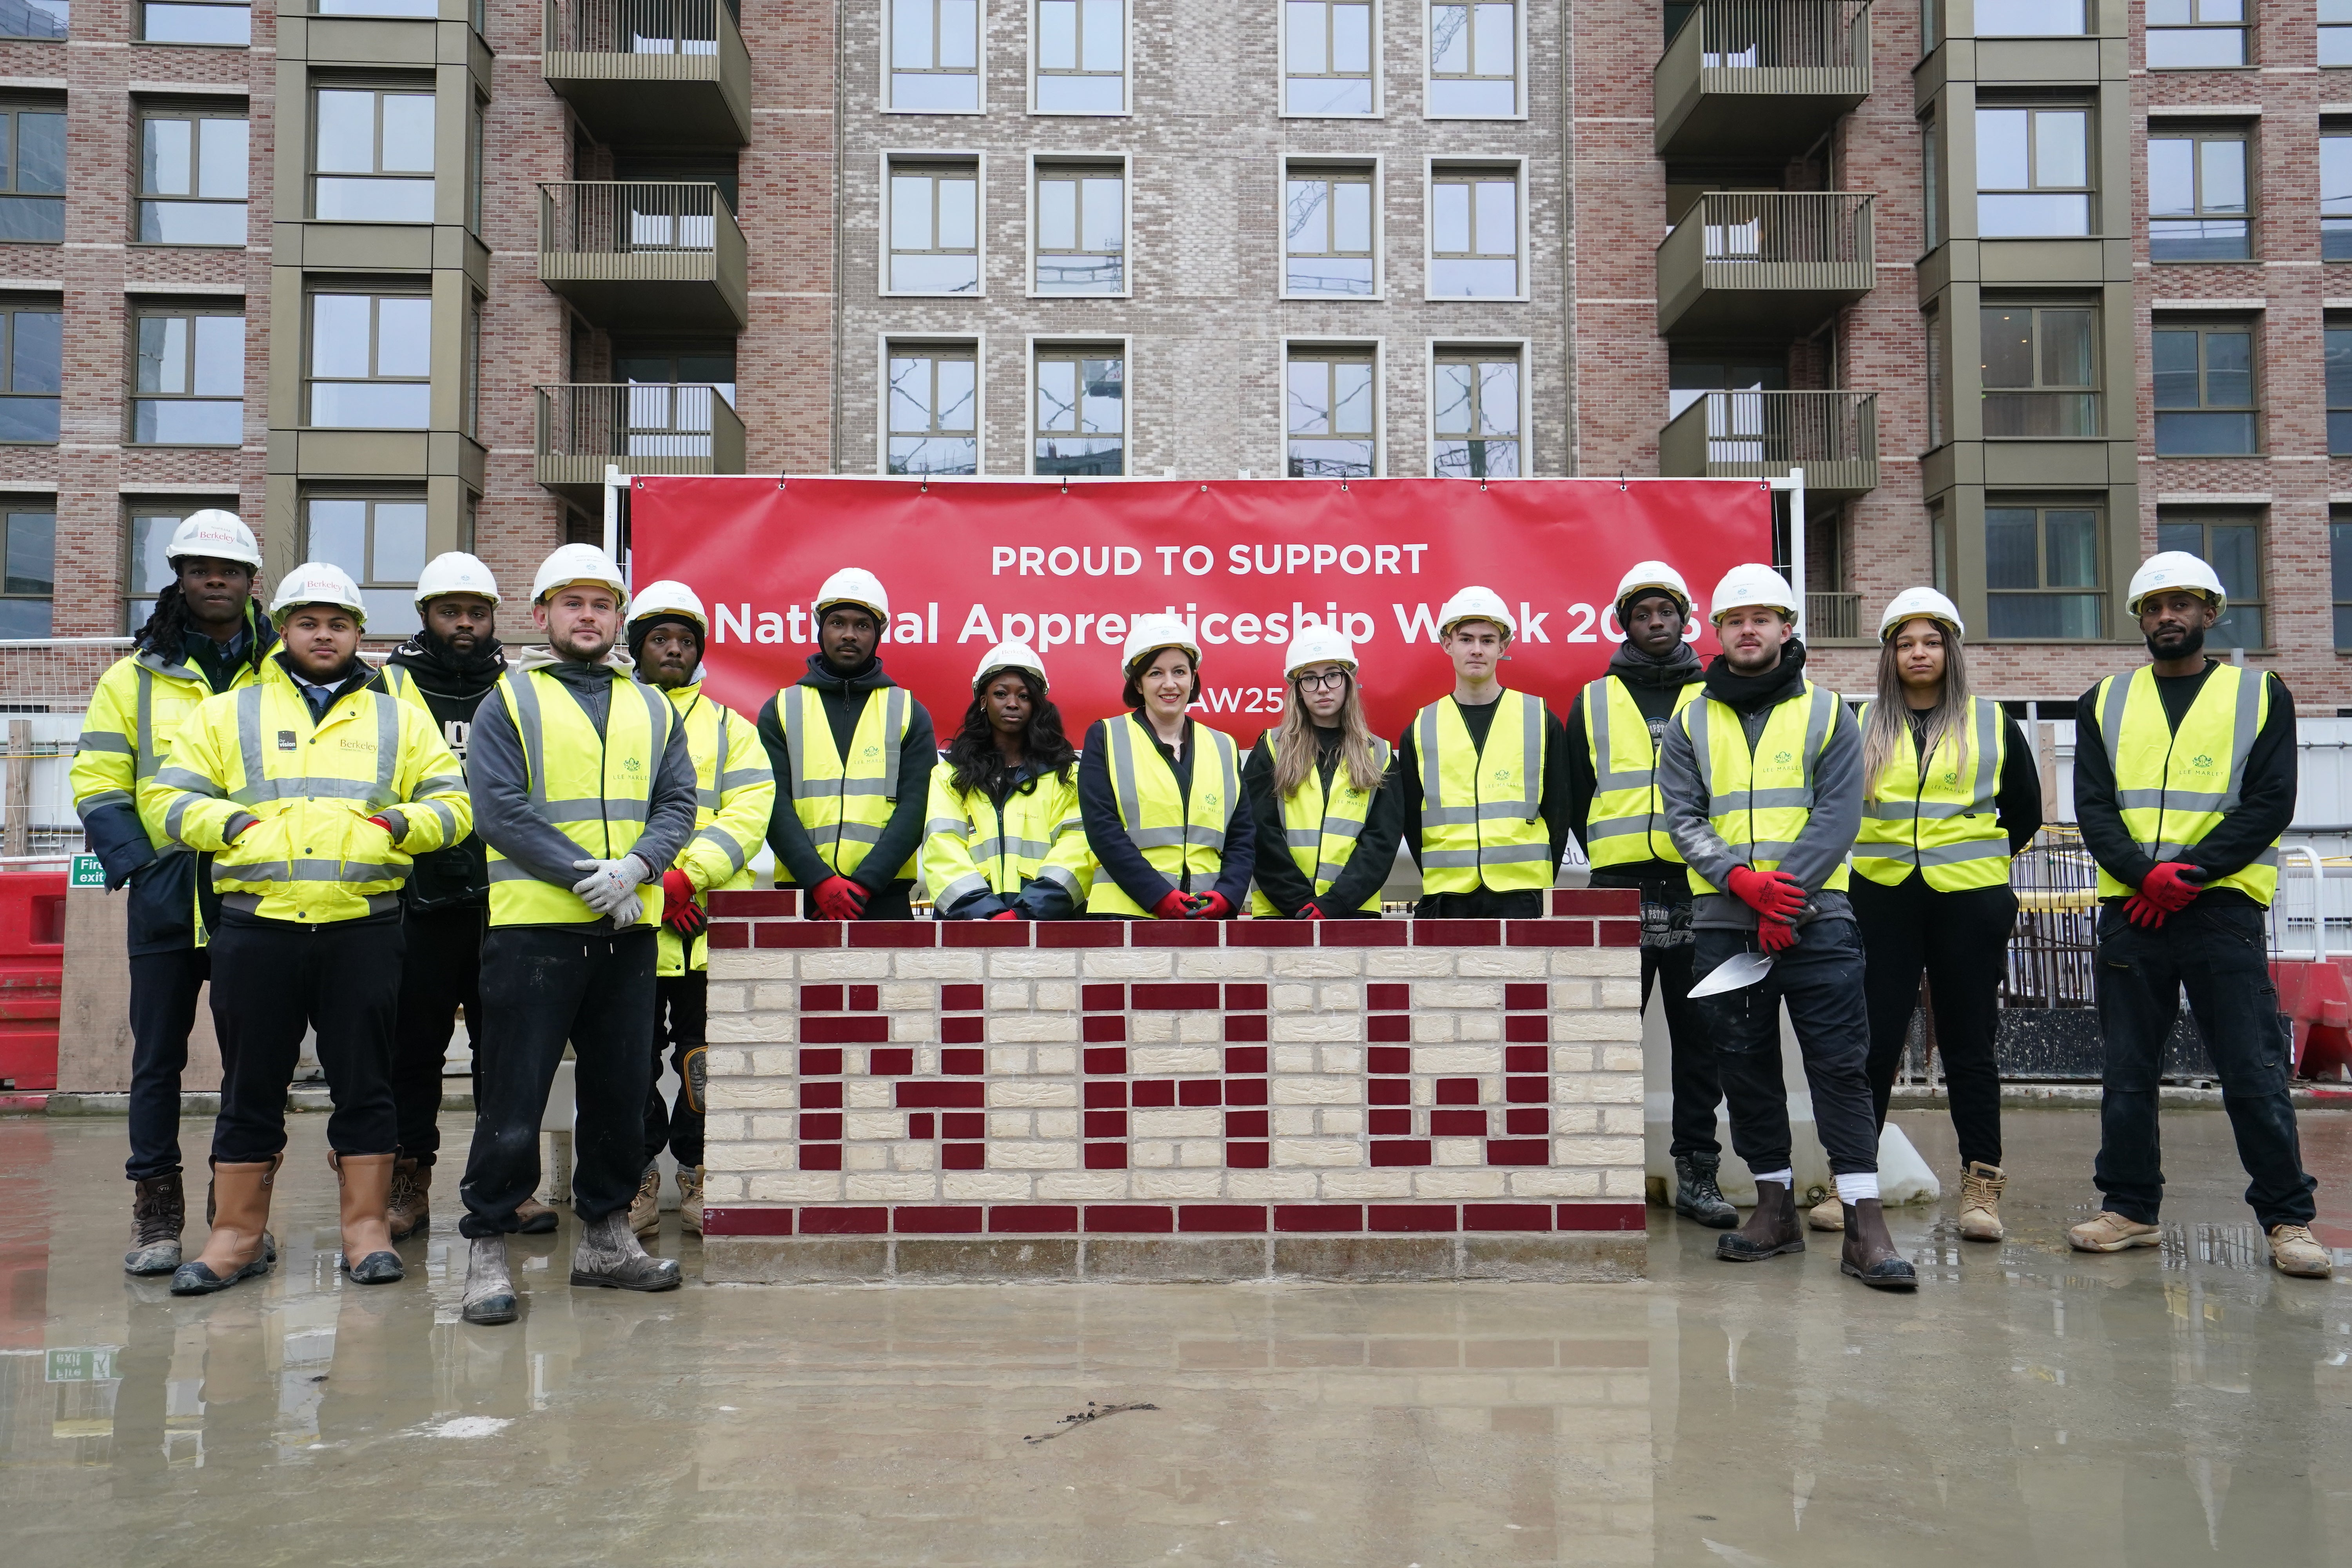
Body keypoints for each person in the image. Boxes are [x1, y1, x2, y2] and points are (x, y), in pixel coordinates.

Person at [143, 563, 472, 1295]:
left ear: (360, 634)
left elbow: (455, 804)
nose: (324, 636)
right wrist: (232, 824)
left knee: (367, 1087)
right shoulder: (230, 713)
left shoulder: (398, 716)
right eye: (308, 623)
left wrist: (400, 826)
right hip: (257, 928)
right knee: (250, 1086)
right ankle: (235, 1236)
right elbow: (166, 798)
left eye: (339, 624)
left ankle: (366, 1231)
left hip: (364, 927)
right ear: (284, 630)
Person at [453, 544, 701, 1325]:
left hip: (627, 933)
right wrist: (582, 874)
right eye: (572, 603)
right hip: (535, 932)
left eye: (601, 604)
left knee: (622, 1095)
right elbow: (499, 810)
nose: (587, 616)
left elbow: (677, 806)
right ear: (543, 617)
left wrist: (634, 869)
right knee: (515, 1095)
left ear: (616, 617)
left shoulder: (654, 707)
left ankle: (604, 1235)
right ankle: (488, 1243)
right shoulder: (511, 703)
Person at [2066, 551, 2328, 1279]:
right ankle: (2129, 1208)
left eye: (2181, 605)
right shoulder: (2105, 701)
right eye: (2153, 607)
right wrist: (2145, 876)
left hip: (2219, 911)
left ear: (2211, 613)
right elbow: (2093, 806)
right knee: (2127, 1072)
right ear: (2140, 620)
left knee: (2252, 1069)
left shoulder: (2260, 695)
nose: (2166, 617)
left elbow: (2271, 802)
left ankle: (2287, 1221)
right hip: (2133, 911)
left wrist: (2191, 874)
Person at [1657, 562, 1915, 1291]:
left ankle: (1866, 1225)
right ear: (1718, 632)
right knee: (1744, 1070)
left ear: (1786, 629)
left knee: (1840, 1068)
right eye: (1736, 620)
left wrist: (1784, 898)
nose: (1748, 629)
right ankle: (1773, 1211)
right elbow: (1684, 817)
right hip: (1723, 922)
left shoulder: (1832, 714)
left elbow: (1839, 815)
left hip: (1817, 921)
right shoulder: (1689, 720)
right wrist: (1743, 884)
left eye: (1763, 618)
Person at [74, 510, 277, 1277]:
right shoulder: (134, 677)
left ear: (252, 582)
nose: (215, 580)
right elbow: (97, 781)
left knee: (250, 1064)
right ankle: (155, 1207)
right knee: (157, 1060)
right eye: (199, 568)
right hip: (165, 898)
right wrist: (143, 864)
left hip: (255, 898)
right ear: (180, 578)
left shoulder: (279, 672)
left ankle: (239, 1215)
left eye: (227, 570)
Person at [1840, 588, 2042, 1241]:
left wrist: (1974, 866)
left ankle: (1981, 1189)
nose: (1918, 653)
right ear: (1889, 655)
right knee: (1871, 1045)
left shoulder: (1992, 721)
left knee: (1969, 1045)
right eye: (1905, 643)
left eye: (1930, 641)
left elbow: (2025, 811)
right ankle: (1855, 1184)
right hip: (1883, 895)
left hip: (1969, 901)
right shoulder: (1862, 724)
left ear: (1949, 651)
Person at [1566, 563, 1728, 1227]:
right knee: (1608, 1042)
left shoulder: (1718, 696)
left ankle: (1698, 1176)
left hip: (1701, 890)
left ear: (1685, 619)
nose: (1656, 622)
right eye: (1642, 613)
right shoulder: (1593, 699)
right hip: (1618, 891)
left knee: (1700, 1046)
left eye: (1666, 611)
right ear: (1624, 624)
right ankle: (1602, 1176)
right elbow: (1577, 795)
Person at [624, 581, 775, 1238]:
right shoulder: (613, 718)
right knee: (626, 1061)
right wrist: (661, 892)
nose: (674, 649)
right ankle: (637, 1175)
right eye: (660, 638)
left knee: (705, 1063)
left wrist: (692, 880)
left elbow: (749, 814)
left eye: (685, 640)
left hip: (706, 931)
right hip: (632, 927)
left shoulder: (731, 728)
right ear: (638, 647)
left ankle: (701, 1171)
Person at [376, 552, 513, 1242]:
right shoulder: (386, 688)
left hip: (500, 902)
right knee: (414, 1052)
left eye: (477, 613)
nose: (465, 624)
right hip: (416, 902)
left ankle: (504, 1185)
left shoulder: (515, 687)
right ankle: (410, 1181)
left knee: (504, 1050)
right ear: (426, 616)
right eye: (451, 612)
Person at [758, 568, 936, 921]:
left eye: (863, 625)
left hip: (883, 898)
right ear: (821, 630)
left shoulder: (909, 711)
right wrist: (820, 881)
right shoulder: (780, 708)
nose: (850, 635)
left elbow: (917, 807)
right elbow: (771, 803)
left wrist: (865, 885)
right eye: (837, 623)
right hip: (804, 897)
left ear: (878, 633)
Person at [1396, 586, 1572, 918]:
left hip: (1524, 896)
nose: (1477, 650)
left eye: (1488, 640)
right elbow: (1411, 819)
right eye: (1466, 639)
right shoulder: (1421, 728)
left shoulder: (1539, 719)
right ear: (1447, 644)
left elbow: (1560, 811)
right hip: (1447, 898)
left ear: (1502, 647)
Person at [1077, 613, 1255, 918]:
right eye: (1156, 673)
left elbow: (1242, 836)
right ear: (1138, 681)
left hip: (1207, 914)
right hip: (1125, 915)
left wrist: (1228, 896)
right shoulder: (1106, 736)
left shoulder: (1223, 746)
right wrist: (1158, 896)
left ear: (1193, 677)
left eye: (1179, 672)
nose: (1170, 684)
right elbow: (1103, 831)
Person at [922, 640, 1093, 920]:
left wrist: (1023, 916)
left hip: (1048, 925)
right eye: (1001, 694)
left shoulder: (1066, 774)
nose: (1013, 703)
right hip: (970, 926)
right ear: (983, 700)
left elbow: (1077, 851)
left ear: (1037, 704)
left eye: (1024, 696)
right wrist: (989, 916)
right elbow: (942, 850)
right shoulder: (949, 775)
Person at [1243, 624, 1401, 918]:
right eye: (1310, 679)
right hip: (1281, 916)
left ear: (1348, 681)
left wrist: (1335, 904)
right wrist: (1301, 905)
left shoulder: (1379, 755)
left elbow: (1382, 843)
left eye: (1332, 675)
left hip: (1353, 914)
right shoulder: (1270, 749)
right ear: (1297, 690)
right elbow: (1259, 835)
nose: (1323, 688)